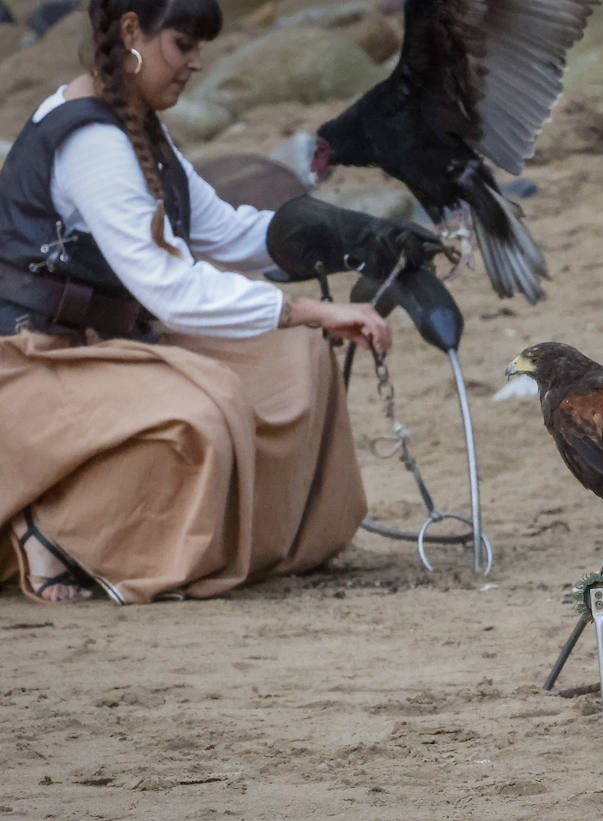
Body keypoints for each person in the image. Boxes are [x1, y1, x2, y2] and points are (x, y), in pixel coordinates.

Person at [0, 0, 422, 604]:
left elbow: (219, 229)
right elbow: (167, 287)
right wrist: (308, 308)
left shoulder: (137, 121)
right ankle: (56, 529)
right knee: (201, 408)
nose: (197, 62)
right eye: (183, 43)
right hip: (31, 362)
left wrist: (348, 240)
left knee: (295, 360)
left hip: (108, 350)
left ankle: (253, 547)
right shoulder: (90, 138)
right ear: (130, 32)